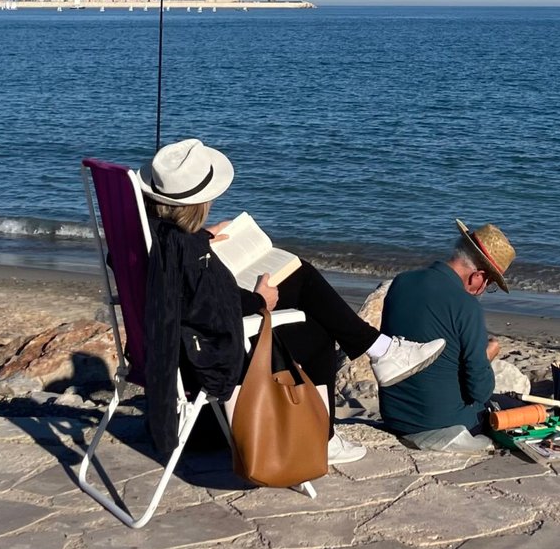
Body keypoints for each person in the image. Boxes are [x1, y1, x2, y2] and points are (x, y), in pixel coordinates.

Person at [140, 138, 444, 466]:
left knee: (299, 274)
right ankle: (328, 429)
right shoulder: (186, 251)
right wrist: (259, 299)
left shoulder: (154, 235)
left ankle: (379, 349)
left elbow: (188, 294)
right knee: (317, 332)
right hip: (207, 354)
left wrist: (202, 236)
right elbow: (211, 309)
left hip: (168, 343)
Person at [377, 218, 515, 452]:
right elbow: (479, 390)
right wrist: (487, 355)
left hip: (394, 415)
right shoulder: (466, 305)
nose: (484, 290)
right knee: (510, 406)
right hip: (441, 421)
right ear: (478, 276)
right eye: (489, 284)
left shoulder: (401, 282)